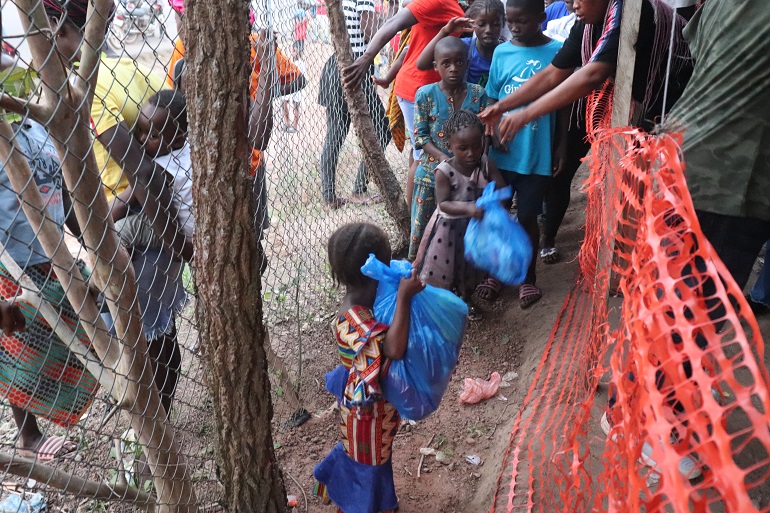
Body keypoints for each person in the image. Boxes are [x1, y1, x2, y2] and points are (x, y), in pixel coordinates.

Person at [0, 119, 97, 461]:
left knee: (70, 331)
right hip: (10, 263)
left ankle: (65, 406)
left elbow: (63, 192)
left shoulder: (38, 127)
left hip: (51, 254)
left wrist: (90, 241)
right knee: (19, 350)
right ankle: (28, 437)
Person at [313, 222, 424, 513]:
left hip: (374, 414)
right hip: (365, 418)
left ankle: (380, 503)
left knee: (376, 462)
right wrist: (403, 297)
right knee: (369, 467)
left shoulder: (365, 301)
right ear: (374, 269)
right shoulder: (354, 320)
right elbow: (394, 349)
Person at [664, 0, 770, 295]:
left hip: (690, 159)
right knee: (693, 309)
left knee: (673, 298)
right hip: (728, 181)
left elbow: (696, 42)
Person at [479, 0, 693, 142]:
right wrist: (502, 105)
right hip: (651, 102)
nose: (574, 6)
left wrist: (525, 114)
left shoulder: (631, 12)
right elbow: (554, 72)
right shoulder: (587, 23)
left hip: (682, 102)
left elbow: (592, 75)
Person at [343, 0, 465, 209]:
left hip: (422, 85)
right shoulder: (436, 1)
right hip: (418, 88)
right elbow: (393, 23)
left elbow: (412, 45)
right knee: (423, 155)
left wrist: (389, 76)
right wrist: (367, 57)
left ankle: (414, 209)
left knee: (418, 152)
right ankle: (415, 216)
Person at [485, 0, 563, 308]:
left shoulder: (556, 53)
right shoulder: (502, 52)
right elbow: (493, 95)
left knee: (529, 215)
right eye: (510, 21)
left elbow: (564, 104)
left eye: (523, 22)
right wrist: (491, 136)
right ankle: (496, 271)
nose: (515, 28)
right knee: (500, 214)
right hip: (504, 151)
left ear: (541, 18)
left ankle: (528, 278)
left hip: (536, 152)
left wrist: (560, 147)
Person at [415, 110, 504, 320]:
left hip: (475, 228)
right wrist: (469, 208)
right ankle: (441, 305)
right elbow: (444, 204)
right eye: (463, 148)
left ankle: (466, 299)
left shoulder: (485, 163)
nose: (471, 153)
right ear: (449, 146)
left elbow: (501, 188)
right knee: (446, 268)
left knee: (469, 267)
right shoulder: (444, 172)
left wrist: (494, 199)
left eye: (476, 146)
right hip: (449, 230)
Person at [409, 37, 488, 261]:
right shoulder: (425, 95)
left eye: (459, 62)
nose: (454, 69)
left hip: (469, 177)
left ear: (467, 63)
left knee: (461, 233)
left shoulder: (477, 93)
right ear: (436, 66)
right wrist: (445, 159)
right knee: (425, 230)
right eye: (446, 63)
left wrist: (482, 164)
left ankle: (459, 279)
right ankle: (419, 274)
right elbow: (421, 136)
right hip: (432, 174)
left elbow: (485, 133)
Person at [318, 0, 393, 208]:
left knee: (336, 134)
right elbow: (372, 31)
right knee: (382, 129)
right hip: (356, 69)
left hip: (336, 67)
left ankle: (329, 196)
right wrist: (388, 19)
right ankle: (359, 189)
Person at [114, 90, 193, 253]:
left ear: (177, 140)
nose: (142, 139)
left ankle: (125, 275)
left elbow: (123, 204)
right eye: (140, 130)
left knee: (119, 230)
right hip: (200, 227)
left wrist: (92, 227)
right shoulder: (190, 147)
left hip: (186, 237)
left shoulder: (159, 167)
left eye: (153, 136)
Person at [415, 0, 506, 88]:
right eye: (481, 24)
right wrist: (445, 31)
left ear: (503, 24)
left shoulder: (508, 52)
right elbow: (422, 64)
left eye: (495, 24)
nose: (488, 30)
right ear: (472, 23)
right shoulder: (463, 47)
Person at [282, 45, 306, 133]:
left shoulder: (301, 63)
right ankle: (287, 123)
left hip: (297, 87)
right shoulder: (289, 61)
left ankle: (295, 126)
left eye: (295, 51)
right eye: (292, 51)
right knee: (284, 103)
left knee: (296, 106)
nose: (293, 53)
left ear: (299, 53)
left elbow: (303, 77)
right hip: (288, 86)